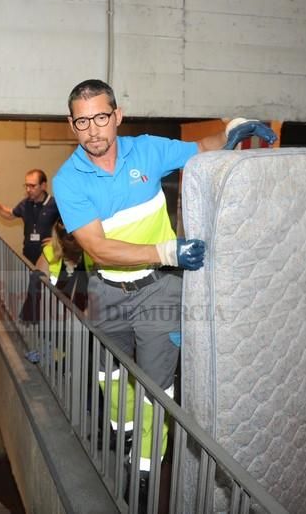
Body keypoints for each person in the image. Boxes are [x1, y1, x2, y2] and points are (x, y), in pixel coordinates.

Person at [52, 79, 276, 478]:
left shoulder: (148, 150)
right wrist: (168, 251)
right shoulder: (69, 180)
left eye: (101, 117)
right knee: (108, 371)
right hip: (106, 288)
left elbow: (204, 148)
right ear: (72, 125)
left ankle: (145, 468)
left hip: (158, 289)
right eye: (82, 122)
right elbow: (98, 248)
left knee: (157, 387)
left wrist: (230, 130)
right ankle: (124, 429)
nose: (93, 130)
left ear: (117, 116)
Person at [0, 168, 60, 264]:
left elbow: (72, 229)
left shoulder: (55, 204)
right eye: (26, 186)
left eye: (32, 186)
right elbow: (10, 215)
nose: (28, 190)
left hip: (48, 259)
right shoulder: (26, 203)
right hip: (28, 257)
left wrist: (57, 241)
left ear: (43, 186)